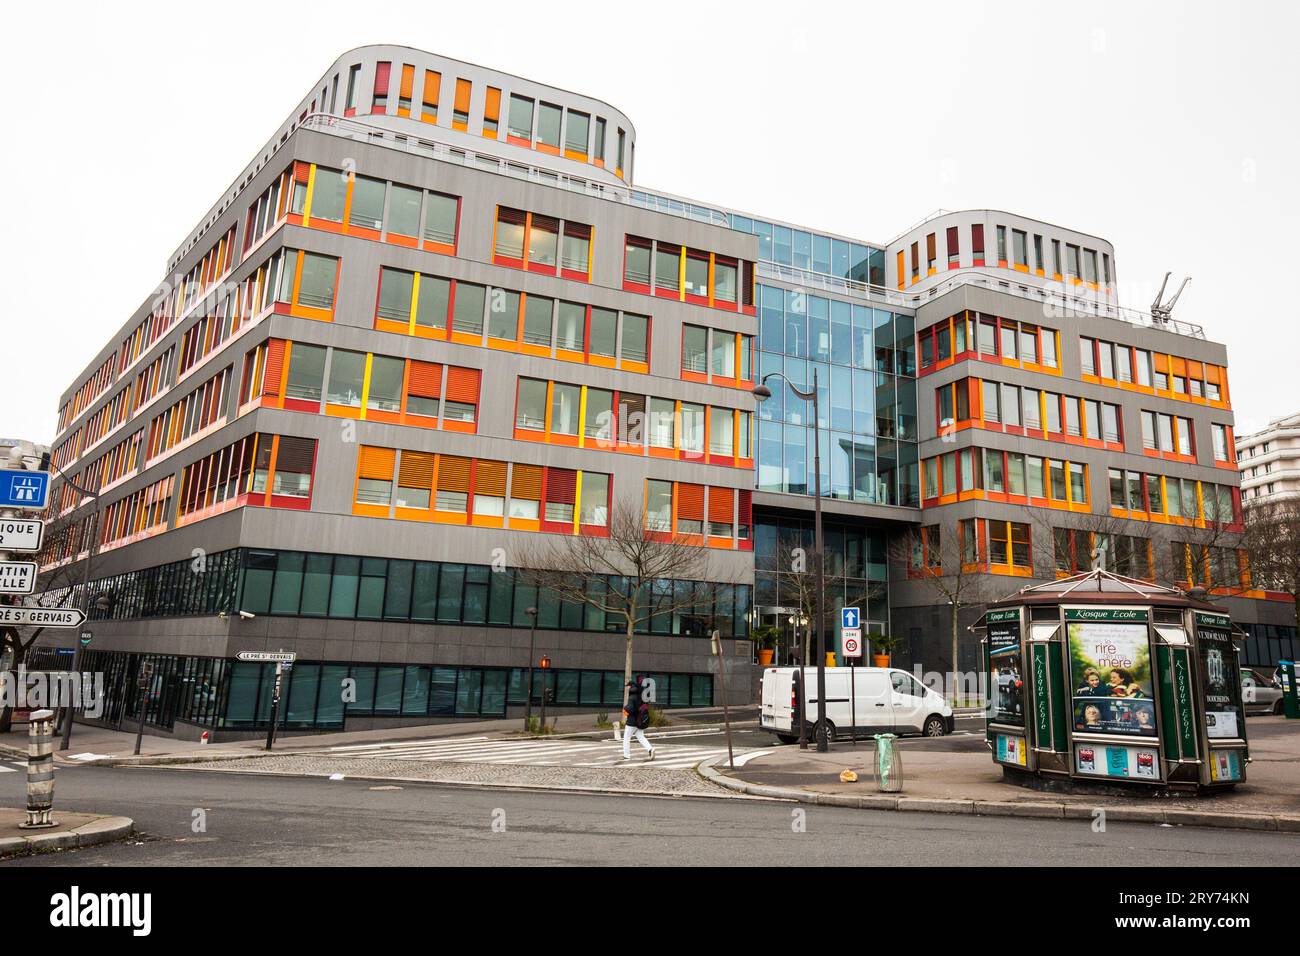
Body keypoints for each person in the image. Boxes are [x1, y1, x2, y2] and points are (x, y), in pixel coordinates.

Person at [622, 678, 654, 760]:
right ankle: (650, 749)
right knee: (641, 737)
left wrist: (625, 708)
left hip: (632, 722)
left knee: (626, 738)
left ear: (631, 687)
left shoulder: (632, 697)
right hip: (640, 721)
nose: (628, 689)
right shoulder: (641, 697)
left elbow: (631, 709)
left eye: (628, 687)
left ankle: (626, 755)